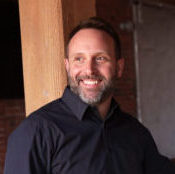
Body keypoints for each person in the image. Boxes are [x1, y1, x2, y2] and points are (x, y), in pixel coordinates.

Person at [4, 17, 175, 174]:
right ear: (68, 66)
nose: (89, 70)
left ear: (119, 67)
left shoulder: (135, 133)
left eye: (100, 58)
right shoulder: (36, 132)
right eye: (79, 59)